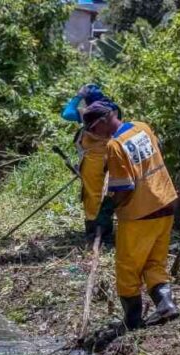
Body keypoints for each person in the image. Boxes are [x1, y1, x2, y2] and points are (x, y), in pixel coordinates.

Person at [82, 101, 180, 330]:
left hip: (140, 213)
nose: (95, 135)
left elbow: (123, 188)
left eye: (95, 129)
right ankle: (166, 305)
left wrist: (107, 210)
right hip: (165, 202)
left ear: (106, 120)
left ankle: (133, 318)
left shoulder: (115, 146)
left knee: (128, 266)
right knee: (155, 260)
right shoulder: (142, 127)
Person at [61, 84, 119, 243]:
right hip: (112, 156)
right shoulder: (113, 109)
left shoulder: (92, 112)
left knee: (93, 196)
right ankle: (105, 232)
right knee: (108, 193)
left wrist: (77, 96)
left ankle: (96, 234)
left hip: (95, 160)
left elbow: (66, 113)